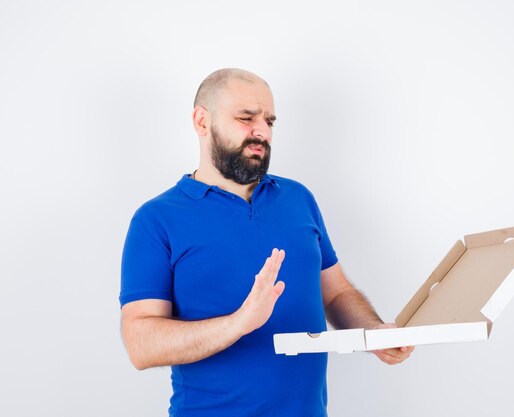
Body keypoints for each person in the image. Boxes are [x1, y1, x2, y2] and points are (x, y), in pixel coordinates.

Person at [119, 68, 414, 417]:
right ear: (202, 121)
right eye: (246, 118)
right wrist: (239, 322)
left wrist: (375, 333)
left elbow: (335, 293)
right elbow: (141, 344)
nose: (261, 131)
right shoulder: (156, 220)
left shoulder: (298, 198)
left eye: (269, 121)